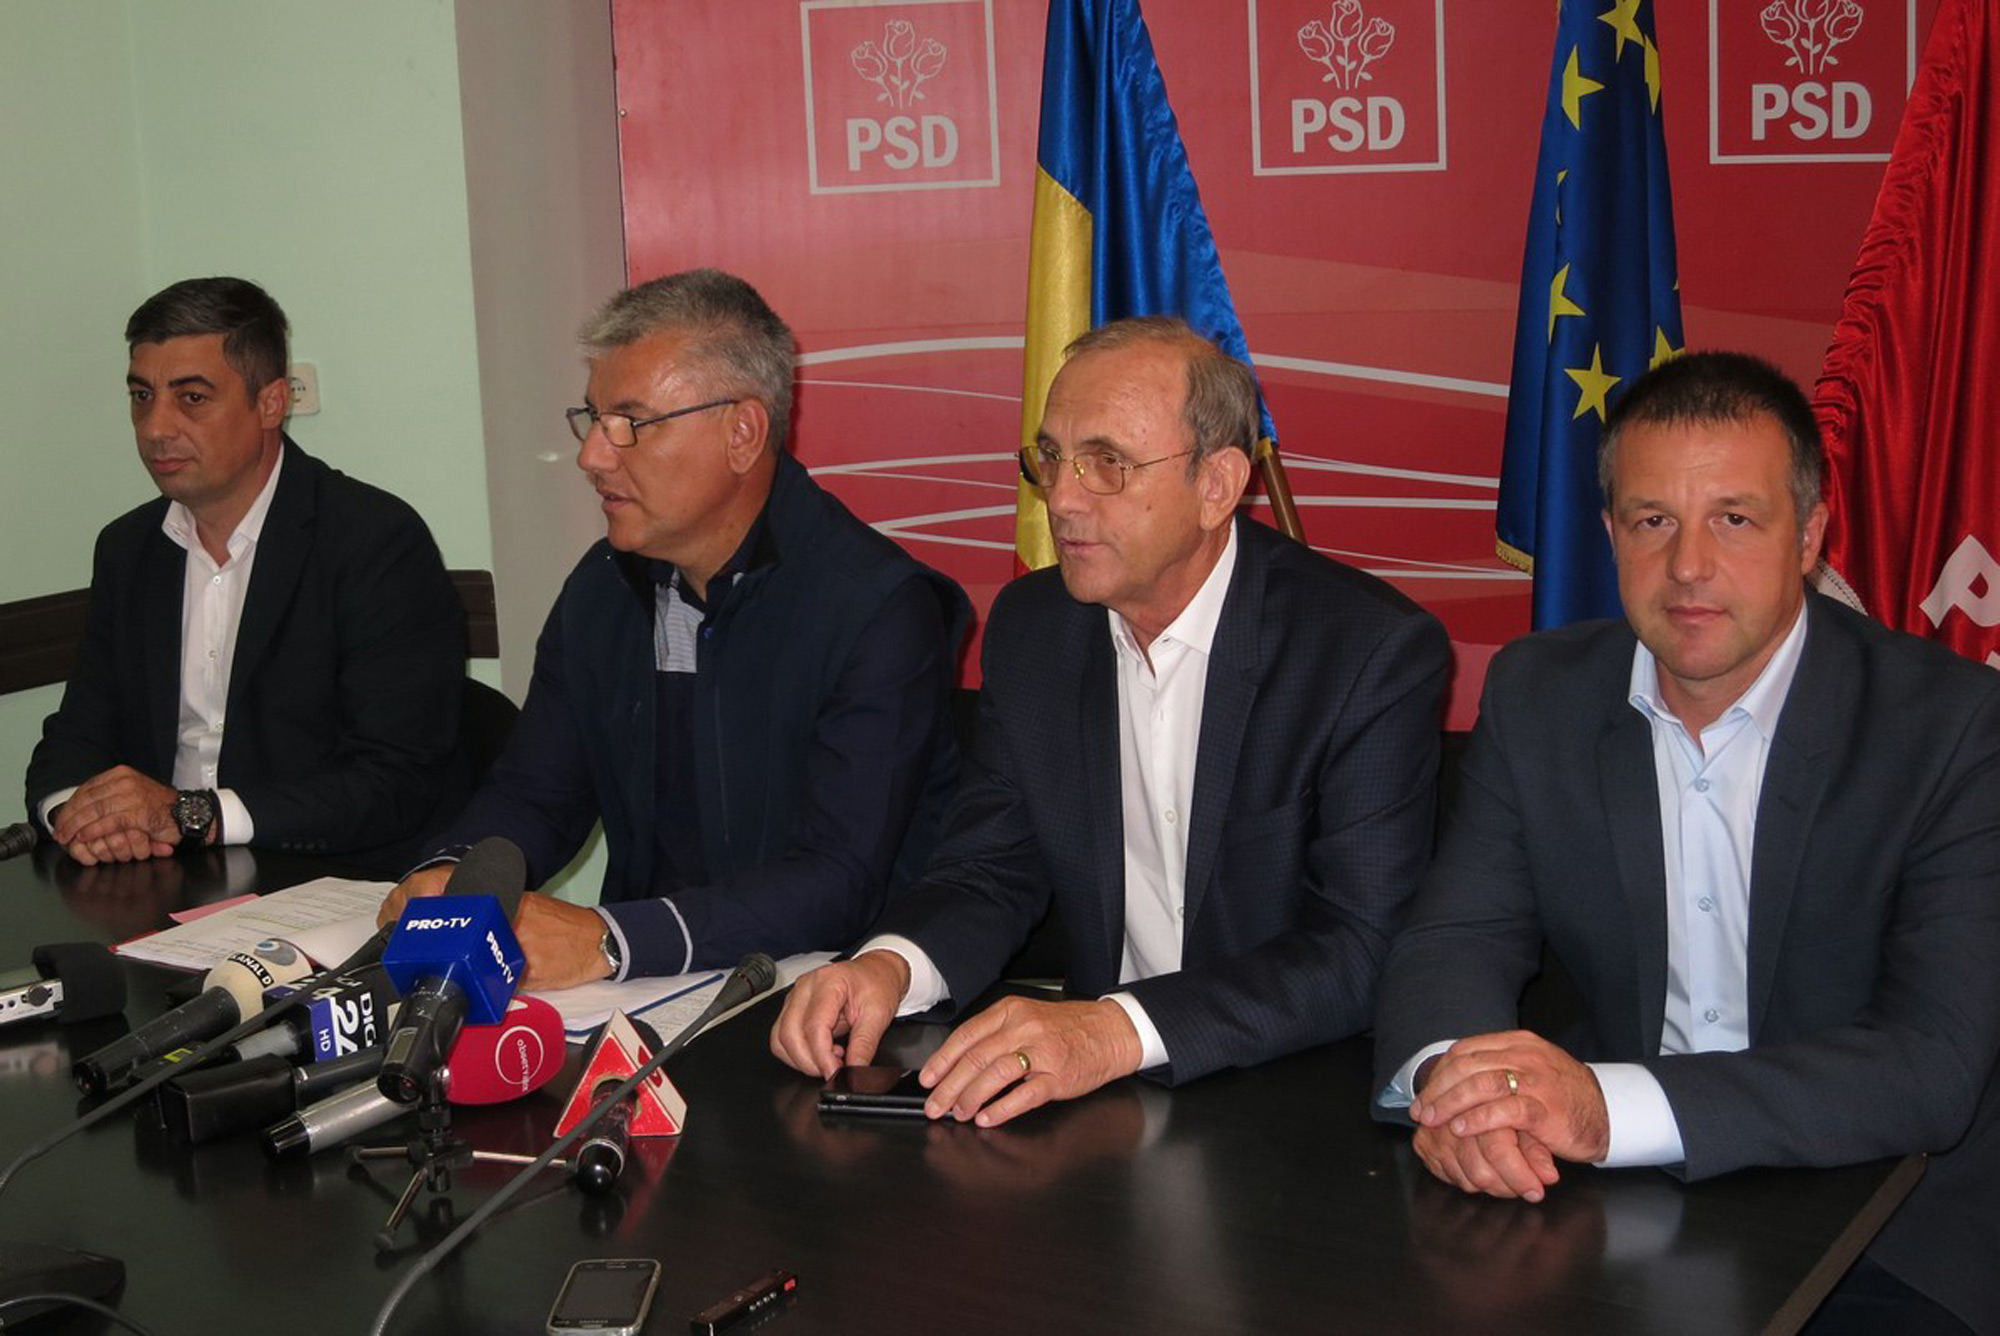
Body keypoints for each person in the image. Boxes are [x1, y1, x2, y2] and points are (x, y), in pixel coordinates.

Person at [1373, 351, 2000, 1335]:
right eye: (1652, 521)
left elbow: (1929, 1062)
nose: (1689, 567)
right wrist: (1462, 1092)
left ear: (1809, 535)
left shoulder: (1951, 726)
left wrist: (1603, 1107)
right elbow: (1456, 938)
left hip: (1888, 1218)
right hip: (1603, 1197)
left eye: (1733, 519)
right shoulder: (1540, 692)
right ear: (1609, 534)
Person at [771, 316, 1450, 1127]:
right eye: (1051, 458)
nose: (1061, 498)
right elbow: (990, 869)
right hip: (1099, 1103)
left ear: (1217, 485)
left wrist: (1116, 1029)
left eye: (1107, 464)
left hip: (1292, 1100)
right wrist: (889, 966)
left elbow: (1359, 948)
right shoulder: (1035, 628)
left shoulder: (1365, 651)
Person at [380, 269, 969, 991]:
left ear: (742, 433)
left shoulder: (877, 608)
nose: (593, 456)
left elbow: (835, 880)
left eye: (630, 424)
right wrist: (452, 873)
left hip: (830, 996)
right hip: (642, 987)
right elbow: (535, 795)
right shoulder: (605, 585)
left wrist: (608, 940)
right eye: (592, 419)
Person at [25, 277, 466, 877]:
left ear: (271, 403)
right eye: (141, 395)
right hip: (159, 875)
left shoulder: (373, 541)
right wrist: (75, 814)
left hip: (323, 874)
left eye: (192, 398)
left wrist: (195, 816)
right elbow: (78, 730)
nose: (155, 428)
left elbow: (394, 780)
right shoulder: (128, 548)